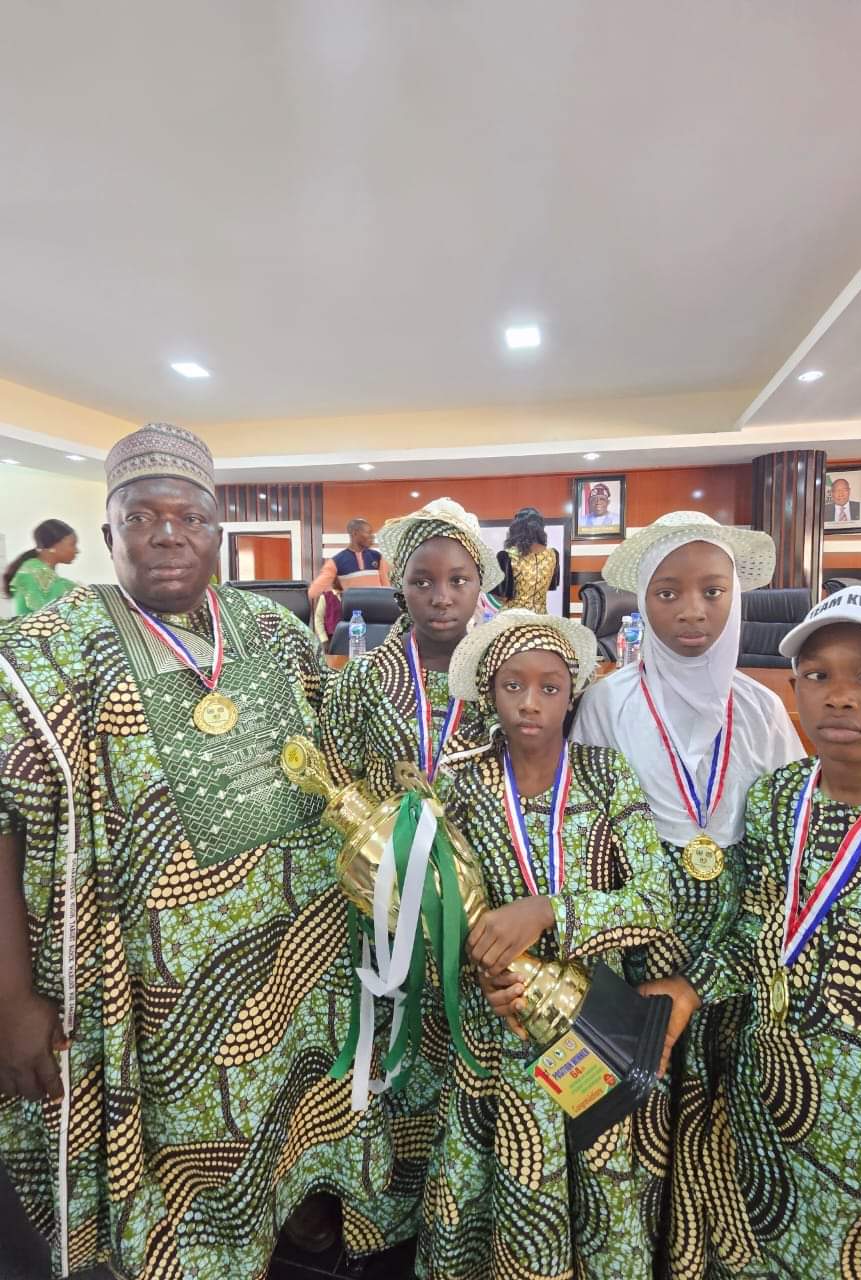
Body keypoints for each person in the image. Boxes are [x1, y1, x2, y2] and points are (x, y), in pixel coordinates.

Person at [0, 423, 387, 1280]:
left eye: (190, 517)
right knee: (182, 1165)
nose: (168, 534)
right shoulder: (43, 652)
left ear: (219, 533)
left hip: (296, 964)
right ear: (110, 536)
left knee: (292, 1125)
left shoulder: (276, 630)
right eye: (143, 517)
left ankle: (294, 1218)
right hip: (147, 987)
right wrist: (12, 995)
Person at [649, 587, 861, 1278]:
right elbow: (757, 927)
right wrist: (690, 989)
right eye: (819, 676)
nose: (840, 696)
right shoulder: (776, 799)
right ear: (795, 690)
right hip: (765, 1136)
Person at [572, 510, 804, 1278]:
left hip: (735, 946)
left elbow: (787, 850)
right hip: (638, 942)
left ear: (736, 596)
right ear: (641, 603)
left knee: (718, 1115)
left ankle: (704, 1251)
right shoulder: (610, 702)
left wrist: (715, 971)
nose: (692, 611)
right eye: (667, 593)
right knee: (633, 1114)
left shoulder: (766, 709)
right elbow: (586, 834)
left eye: (711, 590)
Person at [416, 609, 675, 1280]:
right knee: (506, 1196)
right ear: (488, 692)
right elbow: (436, 907)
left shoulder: (607, 775)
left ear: (573, 693)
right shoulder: (463, 783)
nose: (530, 703)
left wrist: (548, 910)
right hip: (495, 1027)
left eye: (550, 687)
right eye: (512, 686)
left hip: (591, 1028)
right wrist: (475, 962)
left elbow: (657, 901)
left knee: (601, 1192)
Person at [317, 496, 503, 1260]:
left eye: (458, 579)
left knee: (468, 1063)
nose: (441, 597)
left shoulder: (506, 668)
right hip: (386, 907)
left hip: (481, 905)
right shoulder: (364, 681)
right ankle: (381, 1221)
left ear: (480, 582)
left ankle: (463, 1223)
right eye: (423, 582)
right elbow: (332, 776)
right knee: (392, 1060)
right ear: (400, 589)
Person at [307, 517, 391, 645]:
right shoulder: (336, 561)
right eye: (368, 532)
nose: (372, 537)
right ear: (355, 533)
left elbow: (387, 588)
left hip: (379, 621)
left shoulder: (377, 557)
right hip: (356, 623)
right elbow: (314, 590)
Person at [2, 519, 78, 615]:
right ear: (54, 545)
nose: (76, 550)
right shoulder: (34, 571)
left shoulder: (44, 572)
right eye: (72, 544)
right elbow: (53, 613)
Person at [493, 507, 560, 613]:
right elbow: (551, 586)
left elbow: (502, 597)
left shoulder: (505, 556)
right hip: (541, 619)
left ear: (515, 529)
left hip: (513, 620)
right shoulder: (553, 555)